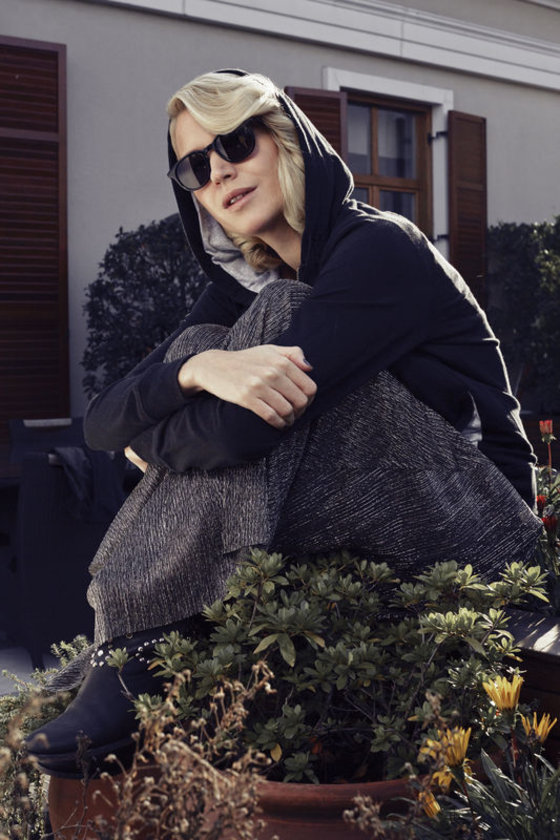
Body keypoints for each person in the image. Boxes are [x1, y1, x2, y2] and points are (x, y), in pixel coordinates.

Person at [26, 69, 542, 778]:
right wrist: (196, 371)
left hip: (480, 527)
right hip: (369, 506)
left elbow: (239, 435)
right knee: (197, 344)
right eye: (194, 168)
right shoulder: (241, 283)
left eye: (235, 142)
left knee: (277, 319)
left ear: (286, 139)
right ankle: (138, 647)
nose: (218, 172)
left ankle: (136, 647)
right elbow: (102, 422)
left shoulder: (380, 248)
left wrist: (161, 436)